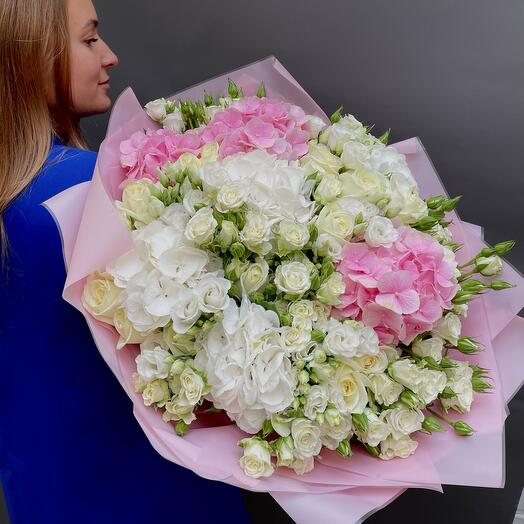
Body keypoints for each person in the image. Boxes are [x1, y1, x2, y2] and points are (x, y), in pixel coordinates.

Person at [0, 1, 251, 523]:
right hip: (150, 487)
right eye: (90, 40)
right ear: (29, 56)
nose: (110, 57)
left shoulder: (14, 194)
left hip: (44, 485)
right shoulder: (88, 189)